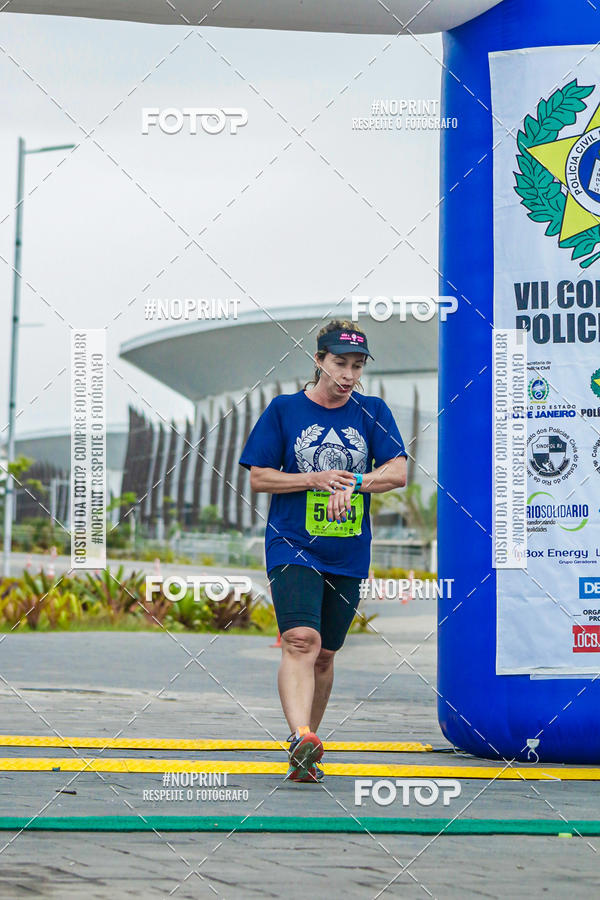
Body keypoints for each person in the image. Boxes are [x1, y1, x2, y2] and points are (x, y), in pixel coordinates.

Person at [238, 319, 407, 782]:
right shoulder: (284, 410)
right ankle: (301, 736)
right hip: (293, 544)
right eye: (339, 363)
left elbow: (397, 473)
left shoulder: (372, 412)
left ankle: (305, 751)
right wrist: (313, 478)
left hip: (348, 550)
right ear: (318, 361)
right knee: (301, 641)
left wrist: (353, 482)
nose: (348, 375)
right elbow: (258, 477)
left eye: (356, 366)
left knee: (327, 653)